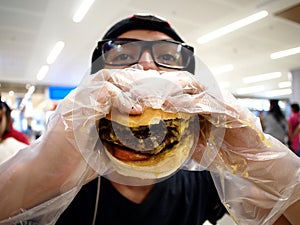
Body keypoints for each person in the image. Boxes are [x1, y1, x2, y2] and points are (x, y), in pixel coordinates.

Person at [0, 14, 300, 225]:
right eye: (122, 55)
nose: (144, 65)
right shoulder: (61, 163)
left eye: (168, 58)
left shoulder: (203, 174)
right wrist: (40, 174)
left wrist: (262, 160)